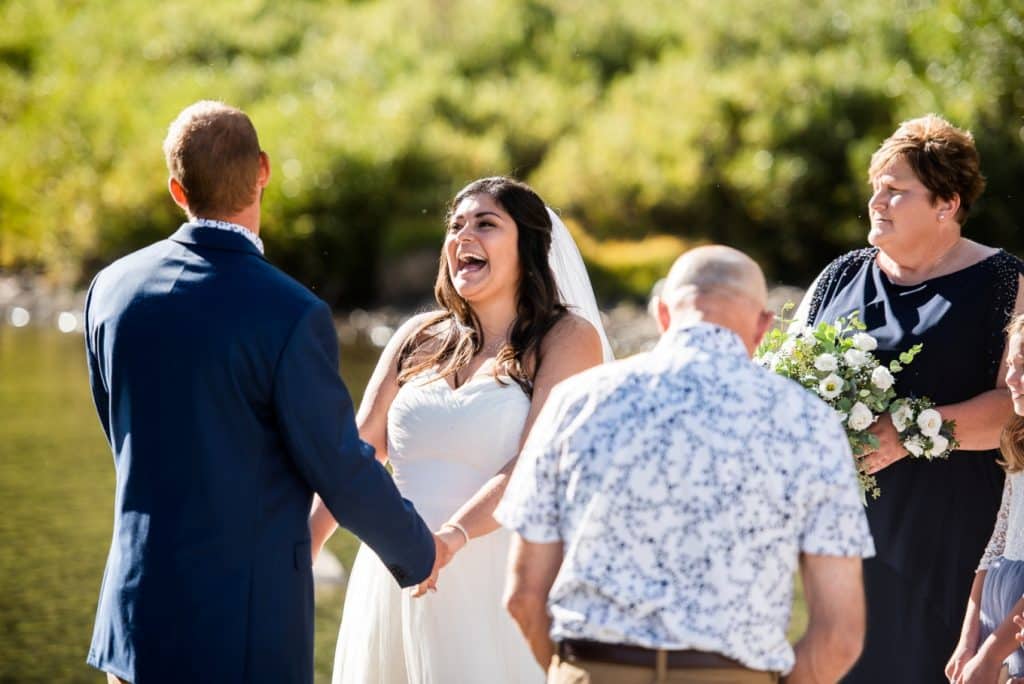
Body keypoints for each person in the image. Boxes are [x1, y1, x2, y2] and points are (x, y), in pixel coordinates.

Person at [83, 101, 442, 684]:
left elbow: (119, 431)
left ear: (177, 190)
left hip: (133, 617)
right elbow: (340, 468)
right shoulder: (291, 313)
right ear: (263, 171)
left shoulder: (110, 290)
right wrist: (417, 551)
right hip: (243, 630)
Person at [497, 245, 875, 683]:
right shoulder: (809, 421)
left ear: (661, 314)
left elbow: (523, 595)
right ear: (763, 327)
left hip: (595, 670)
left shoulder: (576, 401)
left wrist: (575, 673)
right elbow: (840, 634)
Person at [310, 176, 610, 683]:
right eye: (456, 225)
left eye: (485, 224)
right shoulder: (416, 336)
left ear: (529, 246)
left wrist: (451, 538)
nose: (462, 236)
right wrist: (306, 544)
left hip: (494, 574)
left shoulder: (566, 338)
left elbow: (535, 463)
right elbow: (357, 453)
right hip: (395, 572)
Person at [794, 114, 1024, 682]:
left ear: (947, 203)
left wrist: (911, 432)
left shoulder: (1005, 283)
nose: (878, 201)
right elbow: (784, 376)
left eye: (896, 192)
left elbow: (1015, 405)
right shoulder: (838, 276)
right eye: (876, 188)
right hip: (845, 529)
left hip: (954, 530)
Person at [947, 314, 1024, 683]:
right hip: (999, 604)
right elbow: (997, 540)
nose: (1010, 379)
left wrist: (992, 654)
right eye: (1011, 364)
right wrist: (969, 638)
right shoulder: (1020, 439)